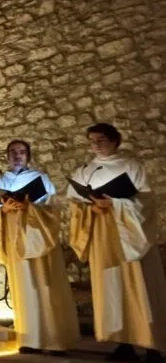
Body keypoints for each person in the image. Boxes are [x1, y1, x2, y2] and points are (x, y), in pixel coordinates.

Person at [67, 123, 166, 363]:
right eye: (92, 141)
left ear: (115, 141)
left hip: (131, 237)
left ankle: (152, 344)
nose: (96, 145)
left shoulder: (131, 166)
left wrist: (115, 204)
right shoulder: (84, 171)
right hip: (103, 236)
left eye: (101, 139)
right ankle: (124, 343)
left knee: (141, 288)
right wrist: (92, 208)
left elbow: (146, 201)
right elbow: (75, 205)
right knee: (113, 289)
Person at [0, 140, 79, 355]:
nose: (17, 155)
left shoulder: (40, 179)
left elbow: (52, 207)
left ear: (28, 156)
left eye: (21, 152)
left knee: (46, 287)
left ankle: (55, 341)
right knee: (24, 289)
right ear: (7, 156)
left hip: (39, 239)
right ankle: (29, 340)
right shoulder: (0, 181)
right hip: (15, 240)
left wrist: (30, 206)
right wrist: (4, 209)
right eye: (13, 152)